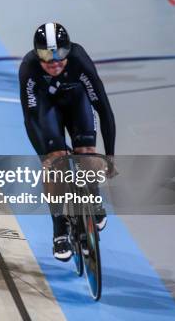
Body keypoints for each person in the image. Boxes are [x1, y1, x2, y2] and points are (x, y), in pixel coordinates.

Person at [18, 23, 115, 261]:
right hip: (47, 109)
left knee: (87, 153)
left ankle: (93, 197)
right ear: (36, 55)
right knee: (56, 163)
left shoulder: (80, 60)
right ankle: (59, 226)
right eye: (47, 56)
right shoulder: (28, 68)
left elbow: (104, 110)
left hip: (77, 102)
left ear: (68, 51)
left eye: (60, 55)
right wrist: (45, 157)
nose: (54, 63)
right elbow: (30, 120)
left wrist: (110, 156)